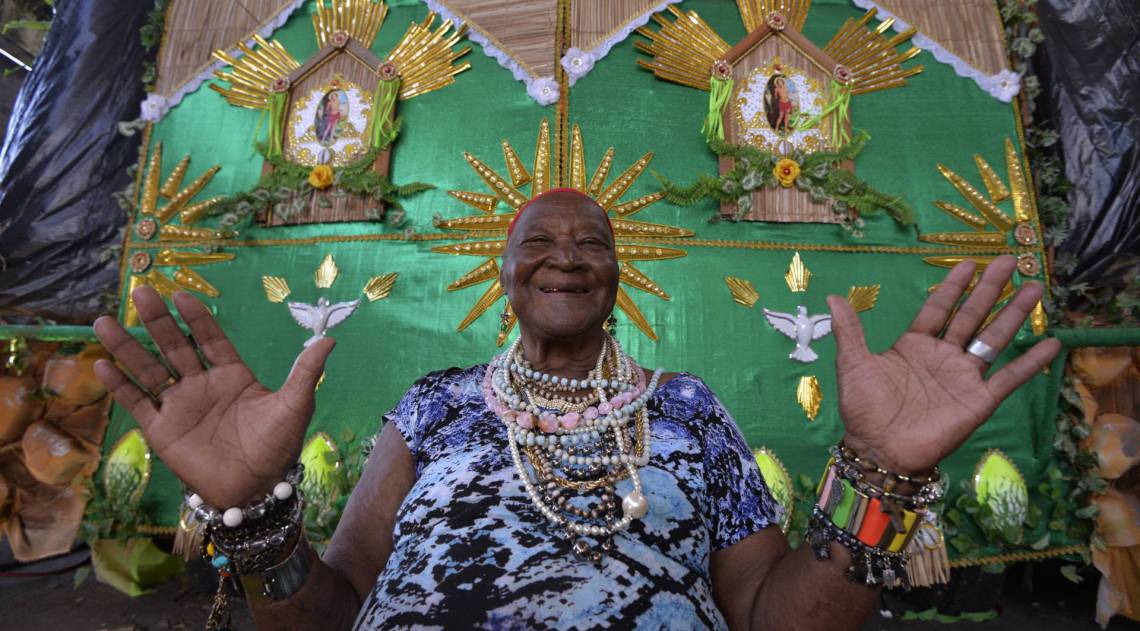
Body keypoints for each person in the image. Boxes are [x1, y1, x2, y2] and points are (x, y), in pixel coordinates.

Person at [92, 189, 1060, 630]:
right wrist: (257, 515)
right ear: (505, 274)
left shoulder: (687, 410)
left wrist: (880, 474)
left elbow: (775, 614)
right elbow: (334, 607)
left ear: (616, 275)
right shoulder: (435, 404)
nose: (565, 253)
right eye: (540, 241)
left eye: (590, 240)